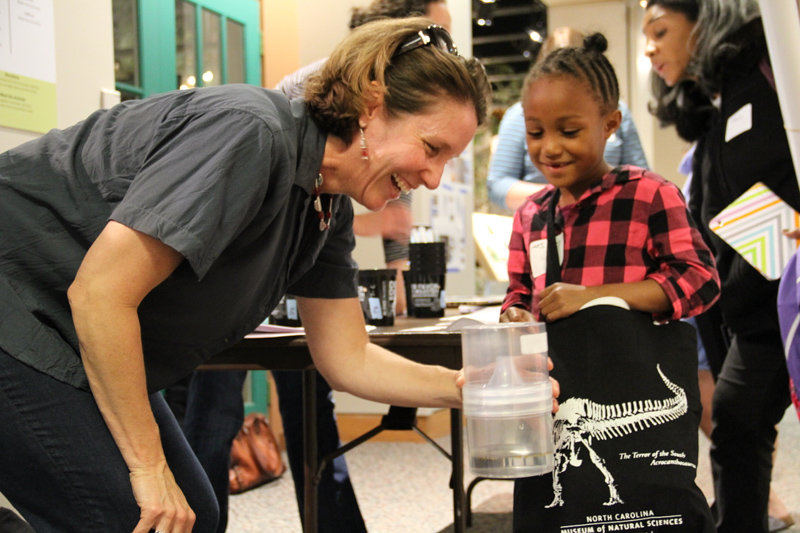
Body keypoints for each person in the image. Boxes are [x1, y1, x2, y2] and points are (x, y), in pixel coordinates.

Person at [0, 18, 492, 532]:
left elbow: (347, 358)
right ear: (372, 106)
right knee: (134, 519)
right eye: (432, 149)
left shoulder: (326, 207)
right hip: (20, 305)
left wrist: (461, 386)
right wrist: (148, 468)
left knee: (195, 514)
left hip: (65, 328)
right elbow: (101, 293)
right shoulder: (251, 131)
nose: (433, 180)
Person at [643, 1, 799, 531]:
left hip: (775, 303)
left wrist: (732, 295)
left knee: (736, 419)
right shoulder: (724, 102)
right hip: (757, 306)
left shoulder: (759, 83)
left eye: (661, 31)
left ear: (704, 22)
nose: (650, 47)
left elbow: (775, 206)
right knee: (736, 423)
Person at [486, 26, 649, 212]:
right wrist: (558, 196)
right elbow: (497, 183)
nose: (552, 148)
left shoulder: (616, 111)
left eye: (570, 131)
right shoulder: (518, 116)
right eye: (536, 133)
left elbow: (640, 174)